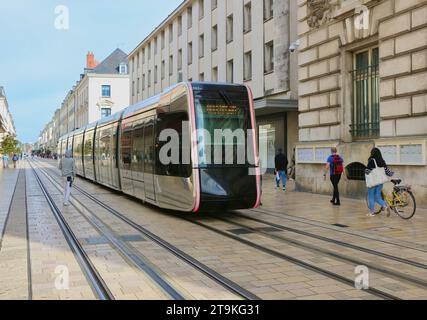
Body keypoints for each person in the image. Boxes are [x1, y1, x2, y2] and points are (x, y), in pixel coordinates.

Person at [365, 148, 394, 217]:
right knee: (377, 196)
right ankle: (385, 206)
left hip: (372, 182)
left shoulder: (371, 161)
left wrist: (368, 170)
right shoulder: (382, 161)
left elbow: (367, 171)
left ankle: (372, 212)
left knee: (371, 196)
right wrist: (392, 174)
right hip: (380, 182)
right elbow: (387, 172)